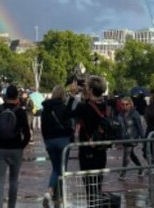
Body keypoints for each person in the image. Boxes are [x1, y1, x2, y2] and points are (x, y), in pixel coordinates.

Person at [64, 75, 110, 205]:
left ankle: (93, 205)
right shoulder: (105, 106)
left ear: (90, 90)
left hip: (87, 149)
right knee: (98, 184)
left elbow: (67, 114)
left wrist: (72, 96)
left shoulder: (85, 107)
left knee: (90, 187)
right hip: (101, 149)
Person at [0, 84, 31, 208]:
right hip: (16, 148)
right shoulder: (20, 112)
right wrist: (21, 146)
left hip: (0, 147)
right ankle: (12, 205)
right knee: (14, 180)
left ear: (5, 96)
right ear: (16, 96)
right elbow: (27, 134)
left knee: (0, 180)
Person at [40, 85, 73, 208]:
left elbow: (43, 127)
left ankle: (53, 193)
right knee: (62, 169)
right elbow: (69, 124)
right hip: (63, 140)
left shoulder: (45, 109)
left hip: (49, 141)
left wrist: (46, 141)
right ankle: (54, 192)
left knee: (55, 168)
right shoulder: (63, 107)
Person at [117, 96, 144, 179]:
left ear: (130, 104)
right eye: (122, 104)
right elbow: (119, 127)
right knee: (131, 154)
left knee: (127, 154)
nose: (124, 106)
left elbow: (139, 126)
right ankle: (140, 167)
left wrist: (143, 138)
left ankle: (123, 172)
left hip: (132, 137)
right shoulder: (120, 114)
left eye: (126, 104)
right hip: (124, 137)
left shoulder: (135, 114)